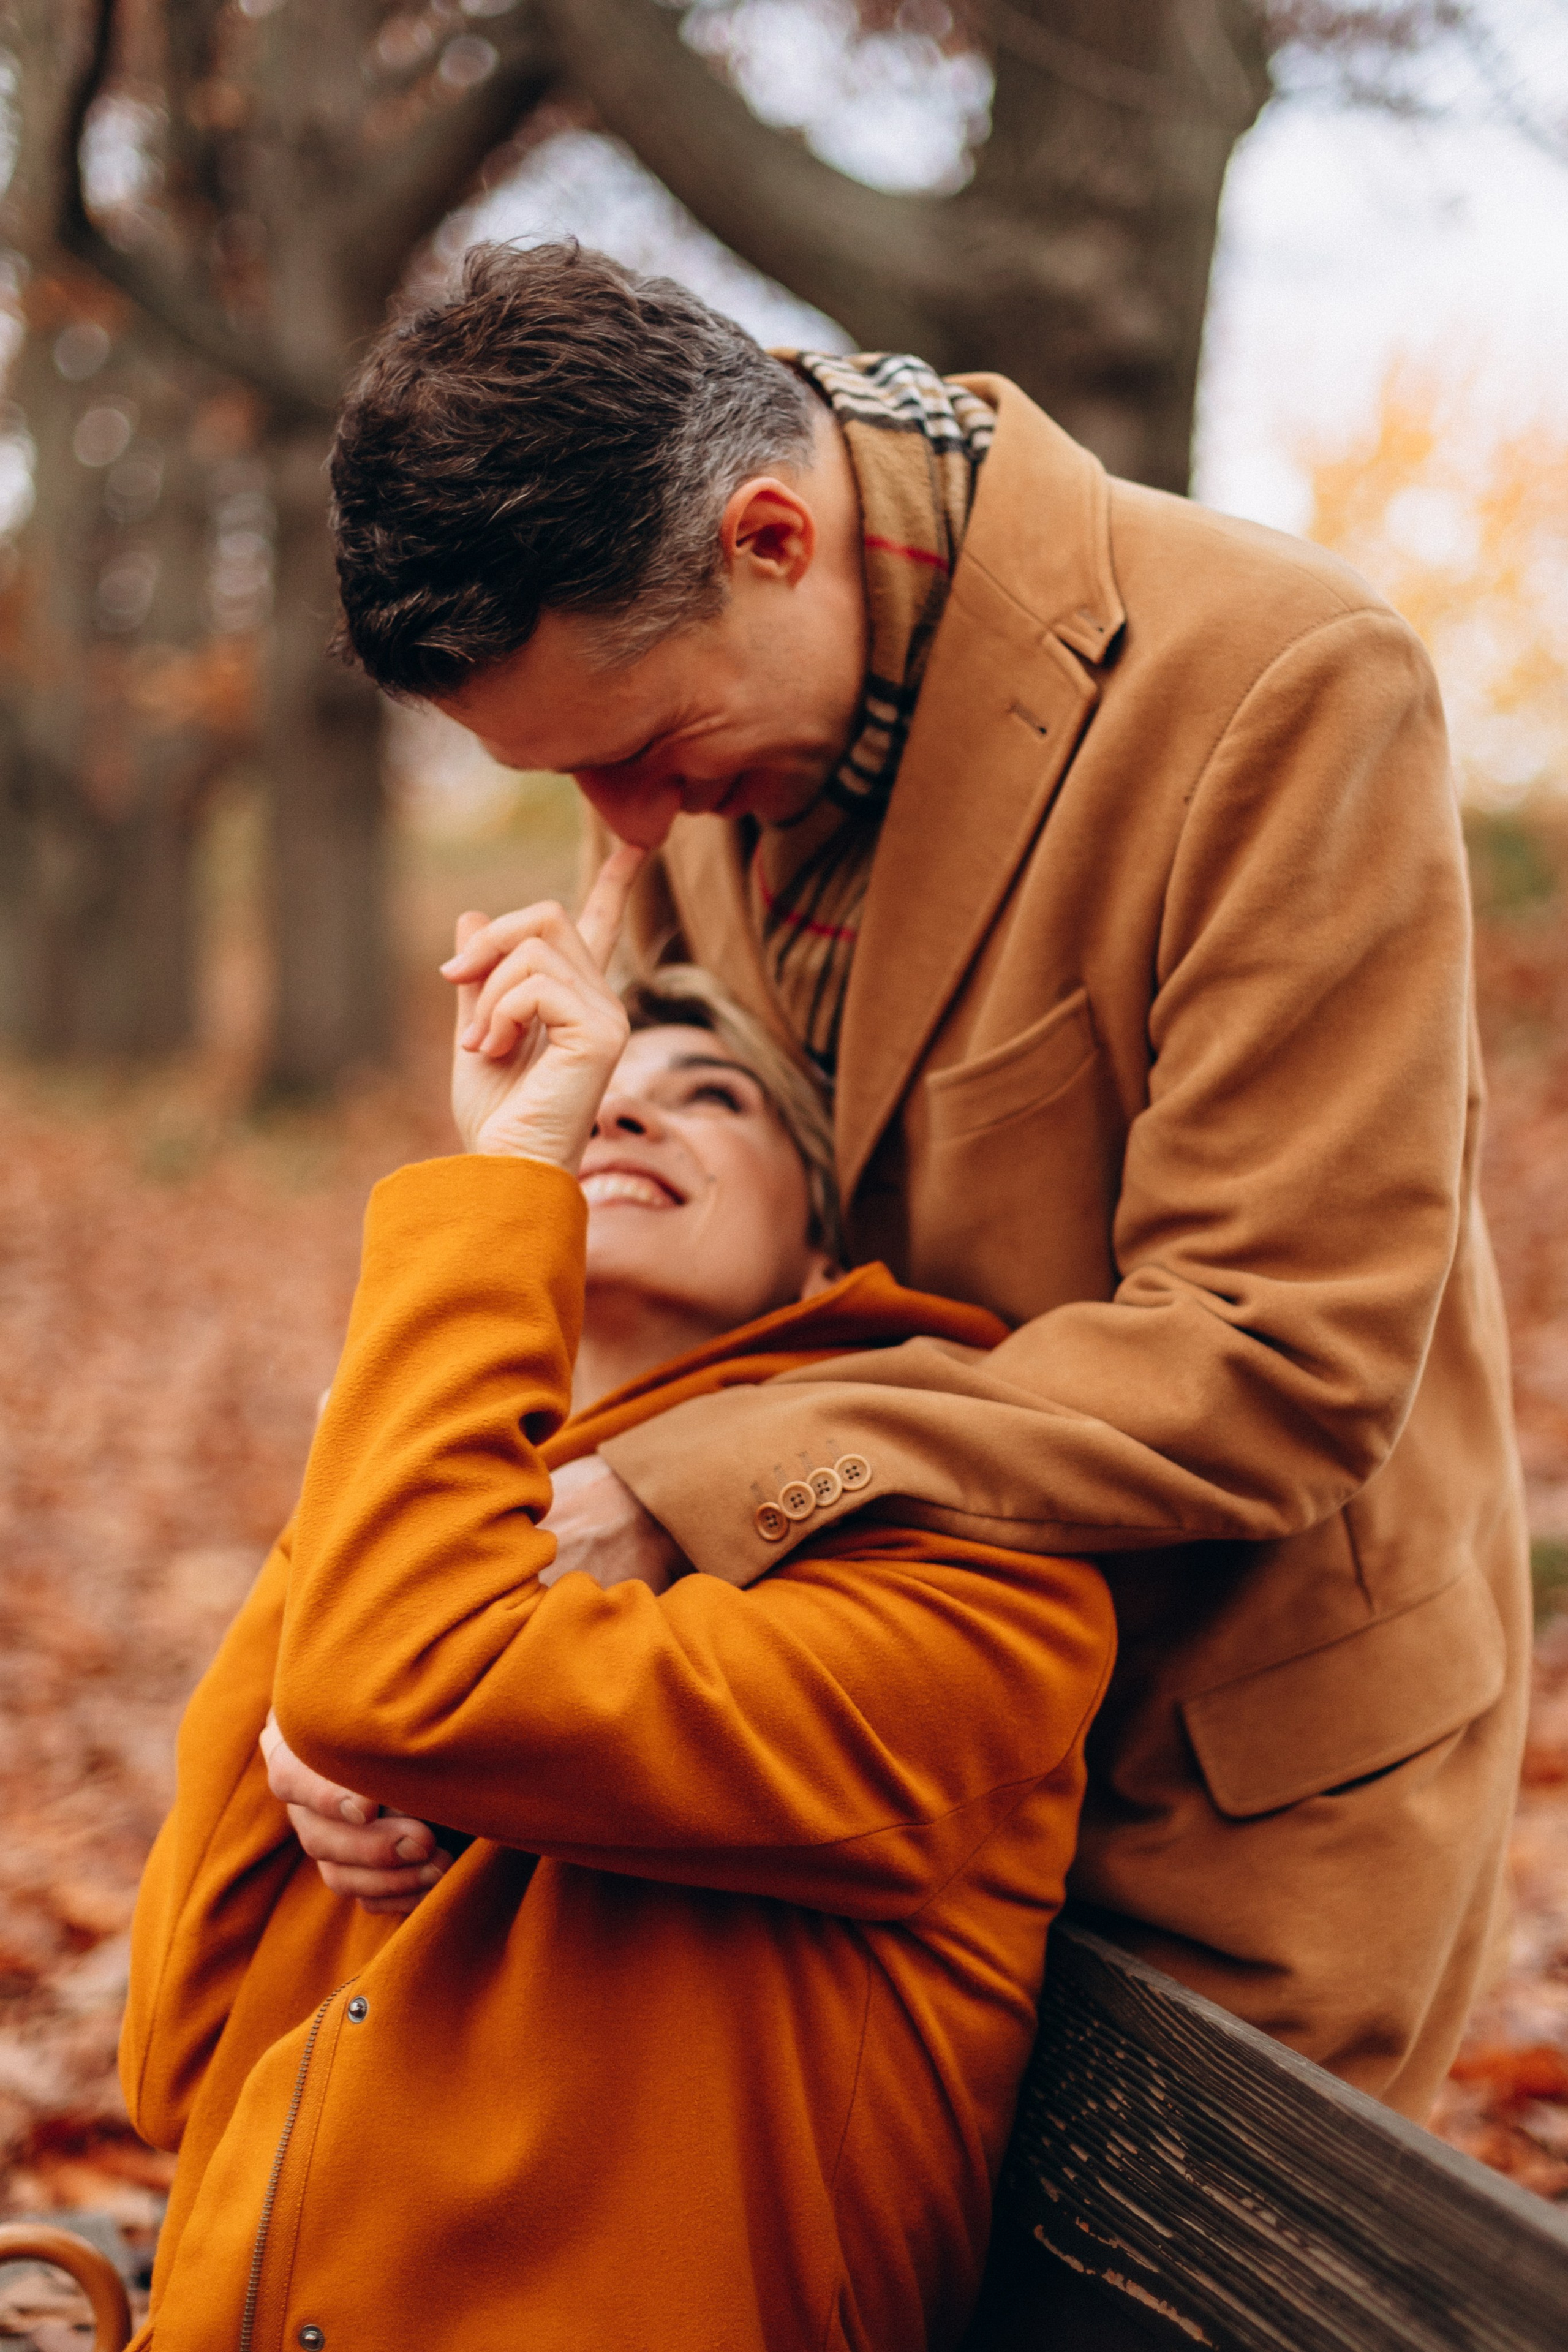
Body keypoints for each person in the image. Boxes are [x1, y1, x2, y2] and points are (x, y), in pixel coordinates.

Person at [326, 239, 1530, 2119]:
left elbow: (1280, 1360)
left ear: (774, 538)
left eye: (642, 756)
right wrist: (359, 1644)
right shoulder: (721, 745)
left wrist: (675, 1487)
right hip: (840, 1763)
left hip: (1220, 1785)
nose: (622, 841)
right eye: (571, 781)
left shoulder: (1279, 684)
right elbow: (727, 1271)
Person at [119, 857, 1115, 2352]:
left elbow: (411, 1684)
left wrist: (514, 1165)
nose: (619, 1109)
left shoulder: (974, 1577)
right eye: (595, 1087)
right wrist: (354, 1501)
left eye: (712, 1096)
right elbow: (177, 2059)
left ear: (822, 1255)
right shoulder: (446, 1519)